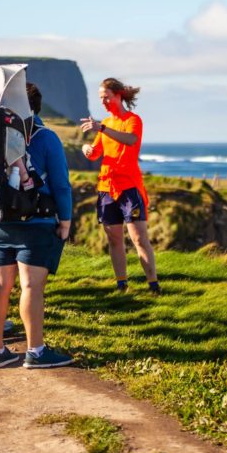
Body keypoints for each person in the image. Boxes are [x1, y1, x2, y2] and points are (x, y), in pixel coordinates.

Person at [0, 83, 74, 369]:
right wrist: (65, 220)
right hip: (35, 220)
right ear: (35, 106)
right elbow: (60, 184)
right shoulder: (45, 137)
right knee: (31, 286)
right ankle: (35, 350)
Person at [80, 78, 160, 295]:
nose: (103, 101)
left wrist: (102, 128)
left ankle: (153, 284)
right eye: (101, 98)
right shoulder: (105, 124)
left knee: (138, 237)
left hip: (129, 188)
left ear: (118, 95)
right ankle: (122, 285)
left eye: (106, 97)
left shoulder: (132, 120)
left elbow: (130, 140)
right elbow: (96, 153)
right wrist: (87, 149)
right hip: (107, 187)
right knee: (114, 237)